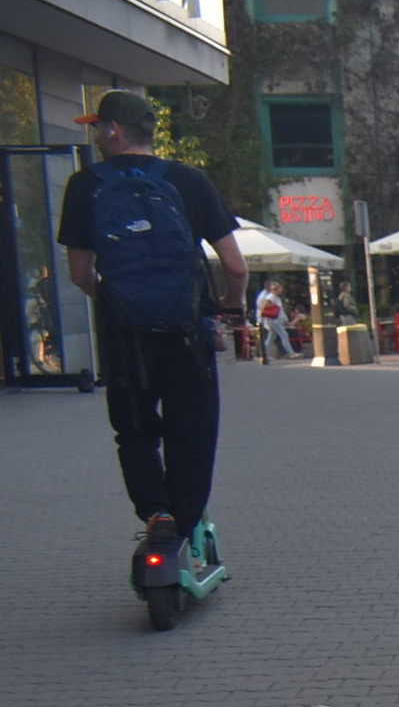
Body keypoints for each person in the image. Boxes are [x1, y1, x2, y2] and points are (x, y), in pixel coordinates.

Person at [57, 89, 245, 574]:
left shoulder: (84, 185)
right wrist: (227, 306)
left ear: (115, 131)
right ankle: (183, 524)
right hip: (187, 332)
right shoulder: (188, 180)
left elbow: (80, 275)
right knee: (193, 431)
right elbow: (235, 266)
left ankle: (156, 514)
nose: (97, 134)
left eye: (99, 127)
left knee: (135, 430)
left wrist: (120, 301)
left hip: (125, 340)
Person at [253, 279, 292, 362]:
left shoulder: (274, 297)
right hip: (273, 320)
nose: (282, 290)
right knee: (284, 335)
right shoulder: (270, 297)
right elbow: (264, 307)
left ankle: (264, 354)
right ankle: (291, 353)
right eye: (280, 288)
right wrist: (274, 305)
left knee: (271, 338)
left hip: (275, 320)